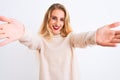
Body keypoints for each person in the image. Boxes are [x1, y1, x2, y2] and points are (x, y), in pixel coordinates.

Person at [0, 3, 120, 80]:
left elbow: (83, 39)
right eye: (54, 18)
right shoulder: (41, 41)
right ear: (48, 19)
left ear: (65, 22)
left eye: (62, 19)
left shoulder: (70, 38)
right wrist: (22, 32)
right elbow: (32, 39)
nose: (58, 23)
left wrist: (94, 36)